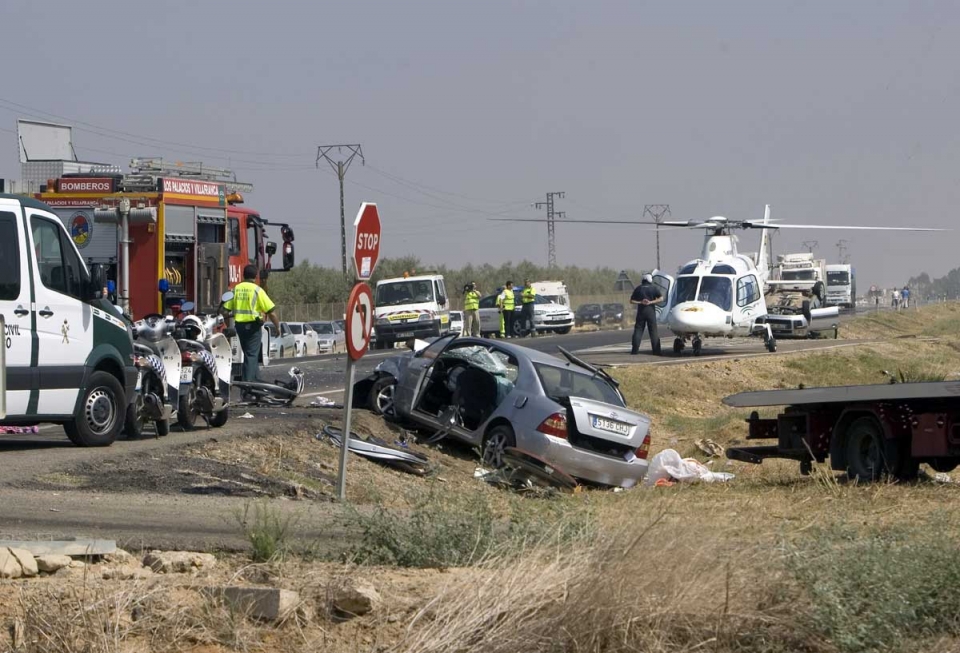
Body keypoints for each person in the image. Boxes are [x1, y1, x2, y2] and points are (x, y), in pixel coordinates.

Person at [222, 264, 281, 383]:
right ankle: (248, 388)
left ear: (243, 275)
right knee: (251, 356)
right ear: (255, 276)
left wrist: (229, 326)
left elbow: (225, 311)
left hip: (240, 327)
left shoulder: (236, 289)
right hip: (253, 328)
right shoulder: (257, 290)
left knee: (249, 356)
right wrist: (277, 327)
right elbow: (271, 312)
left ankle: (256, 383)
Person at [630, 274, 663, 355]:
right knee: (653, 331)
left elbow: (631, 301)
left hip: (641, 312)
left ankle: (634, 350)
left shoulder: (638, 288)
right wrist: (651, 302)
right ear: (650, 280)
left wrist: (640, 302)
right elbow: (661, 298)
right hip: (650, 312)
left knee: (638, 330)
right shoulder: (654, 288)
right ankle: (656, 351)